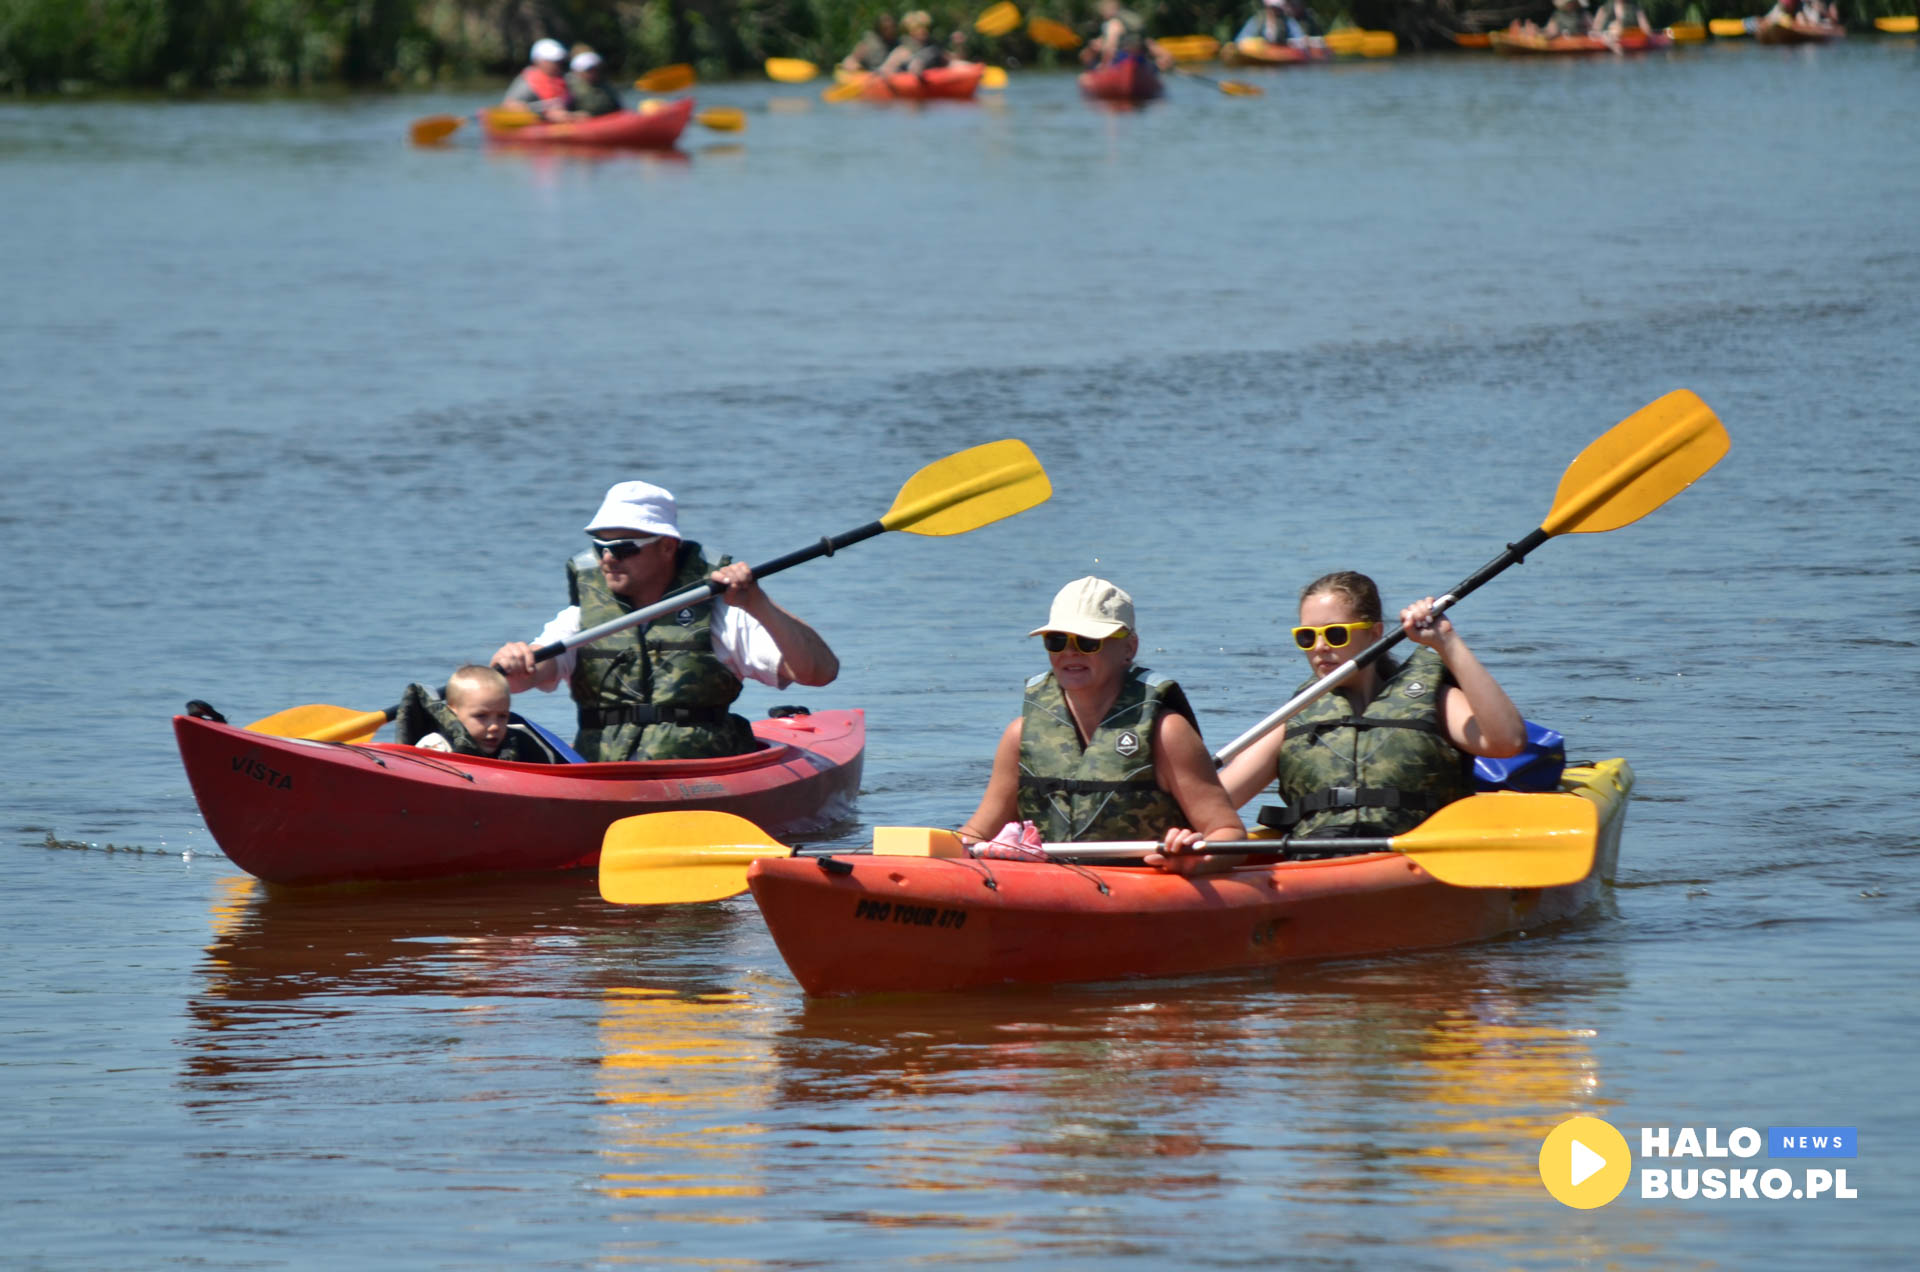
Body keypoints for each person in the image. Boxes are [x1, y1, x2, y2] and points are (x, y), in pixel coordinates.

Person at [490, 481, 839, 762]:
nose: (608, 559)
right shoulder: (581, 619)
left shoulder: (723, 613)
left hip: (699, 777)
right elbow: (525, 679)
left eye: (624, 548)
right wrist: (517, 664)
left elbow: (819, 672)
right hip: (604, 777)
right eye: (600, 548)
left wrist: (759, 603)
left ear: (668, 547)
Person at [1215, 571, 1526, 842]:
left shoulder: (1430, 699)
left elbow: (1506, 741)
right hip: (1319, 855)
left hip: (1419, 855)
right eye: (1306, 637)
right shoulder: (1295, 716)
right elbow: (1215, 803)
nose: (1319, 647)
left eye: (1335, 634)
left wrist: (1446, 641)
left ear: (1375, 633)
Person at [958, 577, 1245, 865]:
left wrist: (1194, 858)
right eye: (1057, 641)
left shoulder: (1167, 733)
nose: (1070, 652)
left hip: (1147, 887)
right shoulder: (1019, 736)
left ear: (1129, 649)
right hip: (1047, 888)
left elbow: (1229, 833)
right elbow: (977, 835)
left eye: (1087, 641)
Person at [397, 665, 561, 763]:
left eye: (502, 716)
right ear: (452, 713)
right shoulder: (436, 748)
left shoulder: (520, 743)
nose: (495, 726)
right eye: (481, 716)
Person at [503, 38, 576, 122]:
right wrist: (545, 116)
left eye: (558, 61)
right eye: (551, 61)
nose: (557, 64)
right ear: (538, 61)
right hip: (538, 125)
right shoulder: (526, 84)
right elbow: (508, 107)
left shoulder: (566, 79)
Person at [1086, 0, 1173, 69]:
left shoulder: (1112, 24)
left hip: (1121, 61)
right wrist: (1158, 65)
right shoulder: (1135, 31)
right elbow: (1153, 46)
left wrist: (1104, 66)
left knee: (1086, 54)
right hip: (1139, 60)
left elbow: (1109, 46)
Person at [877, 11, 948, 75]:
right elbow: (884, 70)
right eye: (917, 28)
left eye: (925, 27)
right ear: (909, 32)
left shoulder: (934, 49)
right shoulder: (902, 52)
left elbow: (951, 63)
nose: (923, 31)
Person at [565, 49, 623, 117]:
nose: (594, 73)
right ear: (577, 72)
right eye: (589, 70)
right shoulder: (568, 88)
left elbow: (618, 107)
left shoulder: (605, 86)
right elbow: (562, 112)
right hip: (585, 122)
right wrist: (575, 115)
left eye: (596, 69)